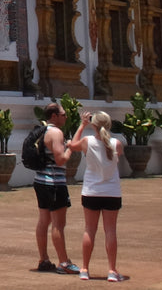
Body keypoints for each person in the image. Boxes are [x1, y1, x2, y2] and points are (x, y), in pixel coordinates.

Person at [68, 111, 127, 282]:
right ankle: (112, 270)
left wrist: (82, 125)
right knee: (110, 231)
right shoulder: (117, 144)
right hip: (112, 192)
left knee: (89, 230)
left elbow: (71, 145)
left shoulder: (88, 141)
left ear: (94, 125)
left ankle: (85, 269)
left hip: (91, 191)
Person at [33, 102, 80, 275]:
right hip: (54, 182)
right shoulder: (56, 133)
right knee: (58, 224)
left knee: (44, 221)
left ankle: (44, 259)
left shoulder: (43, 131)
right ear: (54, 116)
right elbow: (60, 159)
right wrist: (70, 149)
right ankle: (64, 262)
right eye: (63, 114)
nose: (66, 117)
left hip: (40, 180)